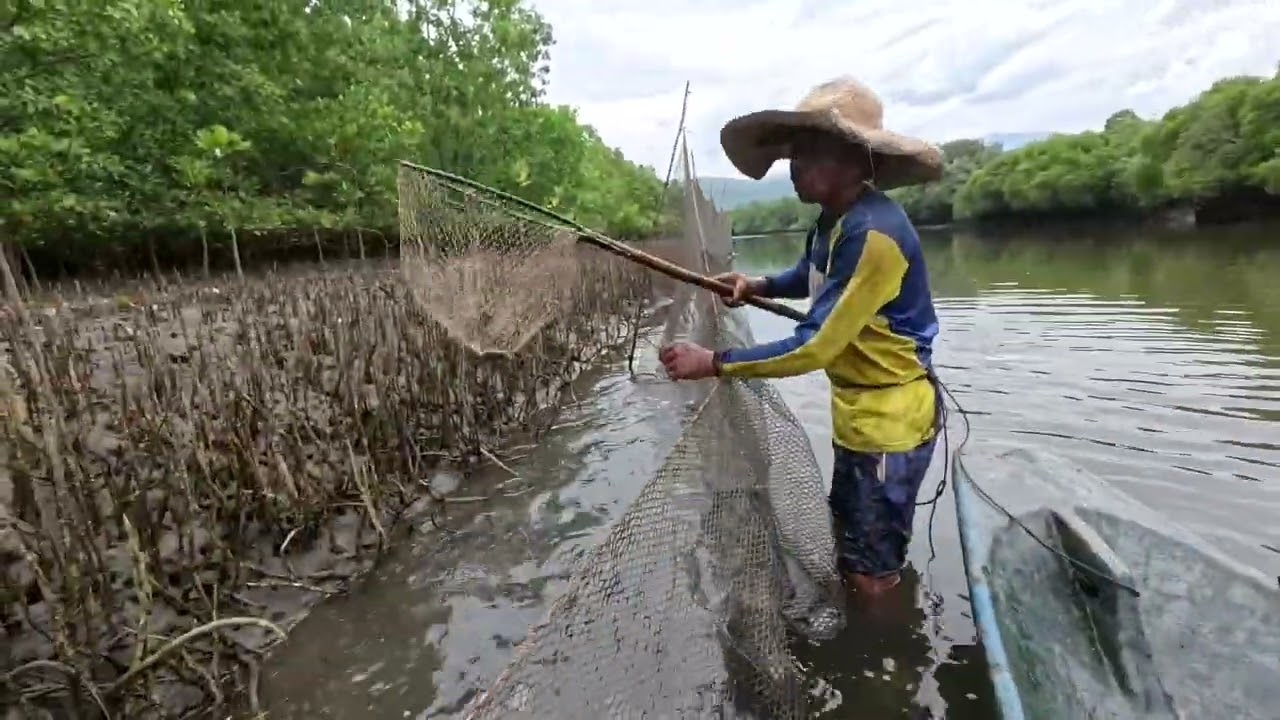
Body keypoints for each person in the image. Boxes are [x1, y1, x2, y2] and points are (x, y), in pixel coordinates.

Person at [658, 77, 944, 598]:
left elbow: (815, 346)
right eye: (795, 153)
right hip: (861, 417)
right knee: (854, 540)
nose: (794, 166)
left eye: (812, 153)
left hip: (890, 426)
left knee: (870, 572)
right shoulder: (833, 223)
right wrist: (756, 285)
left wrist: (715, 362)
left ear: (859, 163)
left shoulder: (873, 234)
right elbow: (807, 276)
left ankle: (885, 658)